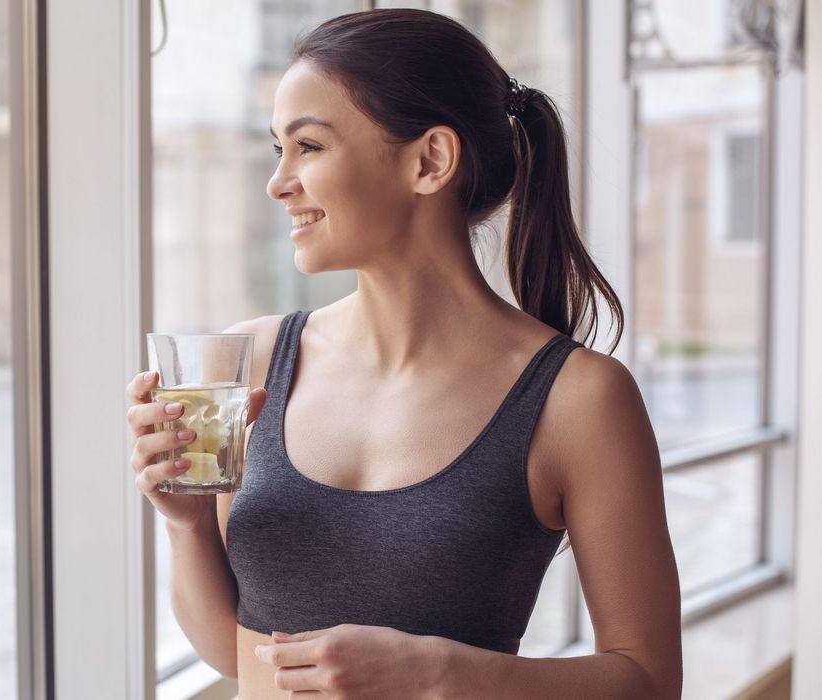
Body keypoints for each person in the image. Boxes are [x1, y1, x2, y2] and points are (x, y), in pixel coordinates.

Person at [125, 8, 681, 698]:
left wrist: (440, 672)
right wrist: (184, 523)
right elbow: (238, 659)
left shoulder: (579, 399)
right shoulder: (252, 361)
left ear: (430, 161)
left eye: (310, 146)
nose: (279, 182)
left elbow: (649, 680)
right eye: (278, 150)